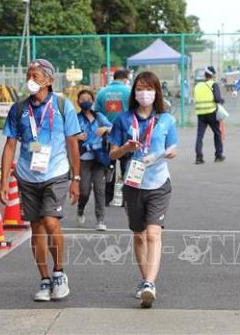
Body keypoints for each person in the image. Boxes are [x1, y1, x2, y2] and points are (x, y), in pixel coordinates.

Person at [0, 58, 82, 302]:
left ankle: (59, 273)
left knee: (50, 221)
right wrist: (4, 180)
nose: (30, 80)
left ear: (48, 80)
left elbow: (73, 144)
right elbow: (10, 145)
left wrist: (76, 178)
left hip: (55, 172)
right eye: (28, 75)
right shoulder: (18, 109)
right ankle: (44, 280)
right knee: (35, 228)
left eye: (35, 76)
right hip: (27, 175)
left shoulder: (62, 105)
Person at [109, 71, 178, 309]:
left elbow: (173, 146)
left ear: (156, 91)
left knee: (152, 234)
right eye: (139, 88)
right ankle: (144, 280)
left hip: (159, 183)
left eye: (149, 89)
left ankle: (149, 283)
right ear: (134, 92)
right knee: (138, 235)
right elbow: (112, 153)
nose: (144, 93)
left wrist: (171, 152)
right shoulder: (123, 119)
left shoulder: (166, 119)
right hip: (133, 184)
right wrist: (126, 148)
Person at [75, 89, 112, 231]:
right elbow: (67, 133)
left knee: (99, 189)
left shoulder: (99, 116)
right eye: (82, 99)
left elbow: (112, 127)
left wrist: (105, 129)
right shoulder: (75, 118)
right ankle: (80, 208)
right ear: (78, 102)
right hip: (83, 158)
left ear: (93, 101)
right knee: (84, 190)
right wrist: (76, 136)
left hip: (99, 158)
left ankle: (100, 220)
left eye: (88, 99)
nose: (86, 101)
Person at [95, 69, 132, 205]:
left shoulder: (102, 92)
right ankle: (126, 199)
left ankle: (107, 198)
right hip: (125, 134)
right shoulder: (129, 92)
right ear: (125, 79)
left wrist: (106, 124)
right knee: (126, 167)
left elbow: (96, 112)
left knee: (108, 167)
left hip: (107, 134)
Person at [194, 66, 225, 164]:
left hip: (200, 114)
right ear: (213, 75)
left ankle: (199, 157)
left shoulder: (197, 86)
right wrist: (222, 100)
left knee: (200, 136)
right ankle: (218, 155)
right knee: (217, 133)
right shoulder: (213, 85)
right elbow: (217, 99)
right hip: (212, 113)